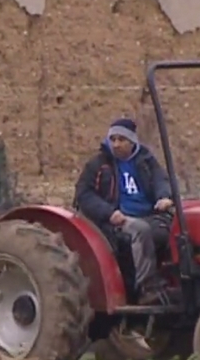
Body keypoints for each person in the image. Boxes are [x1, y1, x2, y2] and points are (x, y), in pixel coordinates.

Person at [74, 118, 174, 305]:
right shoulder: (98, 164)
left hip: (148, 213)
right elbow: (84, 194)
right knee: (140, 230)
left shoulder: (146, 160)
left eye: (121, 140)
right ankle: (146, 288)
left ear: (132, 142)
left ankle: (174, 283)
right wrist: (109, 212)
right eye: (113, 139)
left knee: (177, 230)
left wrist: (163, 197)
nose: (116, 144)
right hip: (115, 219)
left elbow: (161, 180)